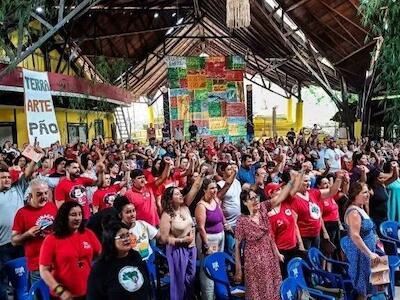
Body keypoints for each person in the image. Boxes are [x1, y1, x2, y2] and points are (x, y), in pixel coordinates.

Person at [39, 202, 101, 299]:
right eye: (73, 215)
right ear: (64, 217)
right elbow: (43, 270)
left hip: (88, 292)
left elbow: (101, 255)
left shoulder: (88, 233)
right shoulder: (51, 239)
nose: (78, 218)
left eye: (80, 214)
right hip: (62, 296)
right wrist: (60, 291)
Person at [233, 189, 284, 300]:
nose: (256, 200)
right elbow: (236, 247)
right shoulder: (241, 221)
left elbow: (270, 236)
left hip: (270, 257)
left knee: (274, 288)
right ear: (245, 202)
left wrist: (277, 253)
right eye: (252, 198)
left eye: (257, 197)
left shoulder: (263, 209)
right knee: (257, 291)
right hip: (254, 263)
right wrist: (238, 269)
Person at [87, 221, 151, 300]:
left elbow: (147, 285)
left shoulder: (136, 256)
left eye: (128, 235)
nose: (127, 239)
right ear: (110, 239)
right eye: (122, 237)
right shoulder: (101, 267)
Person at [11, 179, 57, 285]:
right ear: (30, 195)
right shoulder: (22, 213)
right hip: (37, 266)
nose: (44, 196)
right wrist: (28, 234)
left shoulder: (51, 206)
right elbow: (14, 241)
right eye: (39, 194)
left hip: (56, 262)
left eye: (46, 193)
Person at [0, 161, 35, 300]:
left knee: (22, 280)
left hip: (21, 242)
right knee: (2, 280)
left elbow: (28, 172)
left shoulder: (18, 188)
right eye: (3, 178)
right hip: (2, 245)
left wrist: (34, 158)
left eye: (8, 177)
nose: (7, 179)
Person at [341, 182, 381, 300]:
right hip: (361, 254)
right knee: (362, 288)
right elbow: (355, 236)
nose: (368, 194)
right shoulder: (354, 213)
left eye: (367, 191)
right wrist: (370, 254)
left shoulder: (360, 208)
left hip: (368, 251)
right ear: (355, 194)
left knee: (369, 286)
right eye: (364, 192)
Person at [159, 187, 196, 300]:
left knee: (191, 278)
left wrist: (201, 174)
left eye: (180, 193)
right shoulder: (166, 215)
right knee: (179, 281)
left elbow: (194, 189)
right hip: (177, 250)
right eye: (176, 194)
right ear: (170, 199)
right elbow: (163, 239)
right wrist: (182, 240)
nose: (180, 195)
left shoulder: (185, 207)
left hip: (191, 247)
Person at [195, 179, 226, 300]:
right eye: (211, 188)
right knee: (207, 268)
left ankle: (217, 294)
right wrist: (206, 245)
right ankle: (207, 296)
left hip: (220, 236)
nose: (214, 190)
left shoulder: (215, 199)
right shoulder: (201, 206)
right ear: (204, 190)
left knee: (217, 265)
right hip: (208, 239)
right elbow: (201, 228)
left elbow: (221, 214)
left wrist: (226, 224)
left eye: (215, 188)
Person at [113, 196, 160, 261]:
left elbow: (160, 237)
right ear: (120, 215)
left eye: (133, 211)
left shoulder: (142, 224)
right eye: (128, 212)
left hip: (150, 262)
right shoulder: (118, 232)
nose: (132, 214)